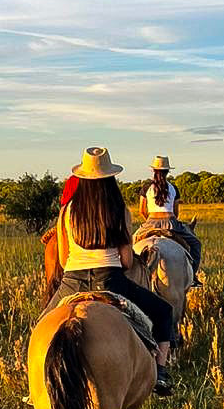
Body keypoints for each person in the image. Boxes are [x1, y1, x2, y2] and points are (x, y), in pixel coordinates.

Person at [54, 147, 176, 394]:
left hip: (72, 281)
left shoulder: (67, 210)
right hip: (109, 281)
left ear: (83, 178)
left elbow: (63, 260)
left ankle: (38, 389)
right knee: (164, 312)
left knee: (40, 328)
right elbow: (127, 260)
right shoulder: (119, 209)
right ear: (110, 179)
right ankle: (160, 374)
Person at [137, 154, 202, 278]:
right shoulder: (174, 188)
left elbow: (141, 210)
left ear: (153, 170)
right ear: (167, 172)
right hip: (171, 222)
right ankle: (193, 276)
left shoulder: (146, 188)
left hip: (150, 223)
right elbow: (176, 212)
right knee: (196, 244)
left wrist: (150, 222)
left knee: (130, 243)